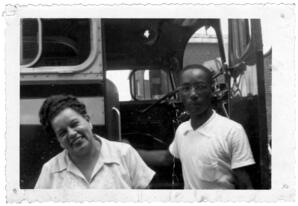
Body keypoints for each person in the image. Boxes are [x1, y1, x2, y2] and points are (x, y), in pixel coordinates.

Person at [138, 64, 255, 189]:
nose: (193, 94)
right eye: (186, 88)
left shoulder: (232, 131)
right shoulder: (182, 130)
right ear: (180, 94)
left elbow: (245, 186)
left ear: (212, 90)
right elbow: (166, 158)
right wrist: (129, 151)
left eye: (200, 87)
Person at [35, 94, 155, 189]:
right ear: (58, 140)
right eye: (62, 133)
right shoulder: (50, 171)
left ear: (88, 120)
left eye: (74, 124)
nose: (71, 134)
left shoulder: (125, 154)